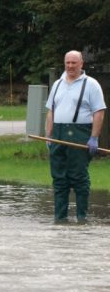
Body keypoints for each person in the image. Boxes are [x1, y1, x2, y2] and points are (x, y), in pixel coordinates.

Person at [45, 50, 106, 222]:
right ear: (64, 64)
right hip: (58, 134)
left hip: (80, 134)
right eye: (68, 63)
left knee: (79, 177)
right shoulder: (57, 83)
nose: (70, 66)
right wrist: (48, 135)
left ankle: (82, 218)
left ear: (81, 64)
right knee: (59, 178)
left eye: (74, 63)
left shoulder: (91, 84)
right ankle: (60, 218)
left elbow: (99, 112)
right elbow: (51, 111)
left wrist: (94, 137)